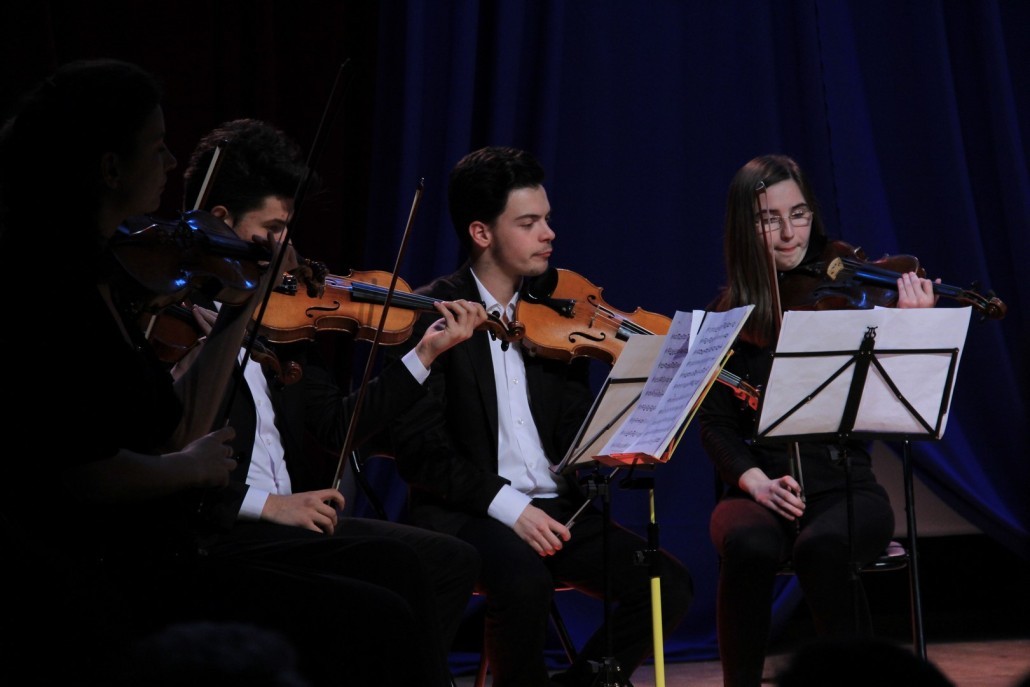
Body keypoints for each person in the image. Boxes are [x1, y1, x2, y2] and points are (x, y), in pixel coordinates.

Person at [175, 117, 486, 687]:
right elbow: (168, 462)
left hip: (290, 521)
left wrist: (426, 353)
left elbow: (337, 425)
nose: (287, 250)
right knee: (389, 580)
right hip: (223, 532)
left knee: (450, 560)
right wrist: (268, 505)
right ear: (221, 221)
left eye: (288, 229)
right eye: (272, 229)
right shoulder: (173, 324)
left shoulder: (283, 323)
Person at [385, 146, 694, 687]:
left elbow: (569, 426)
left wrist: (618, 433)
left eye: (547, 219)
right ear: (481, 233)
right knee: (524, 581)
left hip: (559, 510)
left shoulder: (558, 311)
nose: (549, 234)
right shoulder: (433, 314)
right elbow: (422, 455)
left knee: (665, 583)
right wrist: (511, 508)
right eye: (528, 223)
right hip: (471, 513)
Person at [0, 58, 243, 686]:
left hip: (148, 552)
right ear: (110, 169)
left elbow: (167, 424)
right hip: (95, 572)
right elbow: (84, 472)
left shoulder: (101, 274)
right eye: (157, 147)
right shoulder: (49, 290)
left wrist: (242, 306)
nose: (170, 163)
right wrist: (190, 468)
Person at [698, 153, 939, 687]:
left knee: (822, 548)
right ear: (744, 228)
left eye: (799, 214)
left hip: (845, 485)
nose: (790, 234)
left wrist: (911, 331)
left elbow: (897, 403)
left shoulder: (846, 298)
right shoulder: (726, 318)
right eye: (770, 219)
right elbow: (714, 425)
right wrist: (755, 482)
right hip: (758, 487)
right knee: (748, 544)